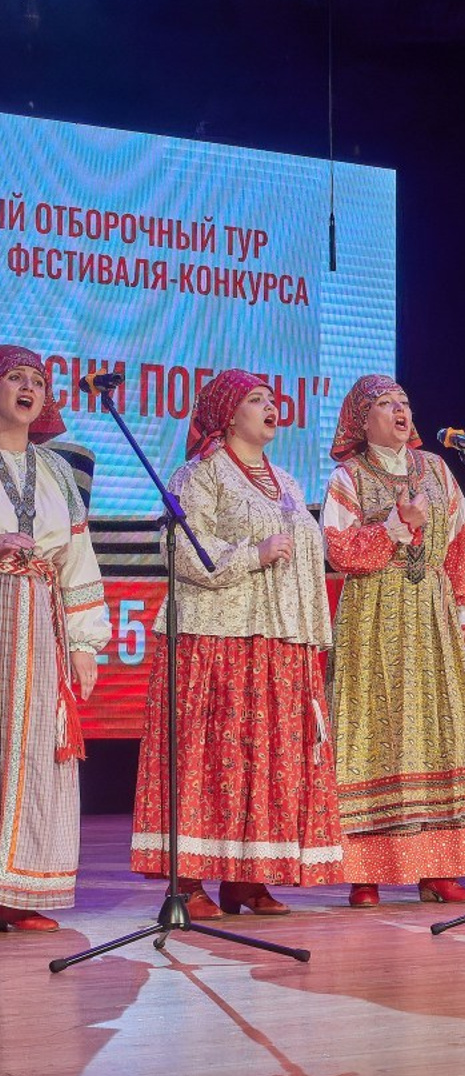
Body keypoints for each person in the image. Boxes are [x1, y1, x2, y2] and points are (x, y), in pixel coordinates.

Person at [130, 370, 344, 916]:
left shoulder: (290, 483)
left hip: (275, 641)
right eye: (255, 399)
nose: (271, 406)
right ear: (228, 414)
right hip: (214, 638)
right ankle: (190, 882)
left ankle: (249, 877)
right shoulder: (198, 476)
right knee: (208, 757)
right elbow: (181, 553)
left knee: (263, 758)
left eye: (273, 398)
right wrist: (253, 554)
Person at [322, 375, 465, 907]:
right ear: (360, 418)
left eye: (404, 403)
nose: (399, 411)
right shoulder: (347, 477)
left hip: (429, 615)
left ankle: (439, 869)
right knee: (374, 730)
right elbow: (339, 550)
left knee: (437, 729)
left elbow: (464, 540)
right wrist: (397, 524)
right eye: (384, 404)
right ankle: (366, 872)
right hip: (372, 617)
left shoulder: (439, 470)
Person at [0, 345, 110, 933]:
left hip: (41, 618)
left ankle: (19, 891)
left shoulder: (57, 471)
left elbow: (77, 560)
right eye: (14, 377)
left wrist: (85, 643)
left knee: (38, 746)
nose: (27, 388)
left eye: (37, 381)